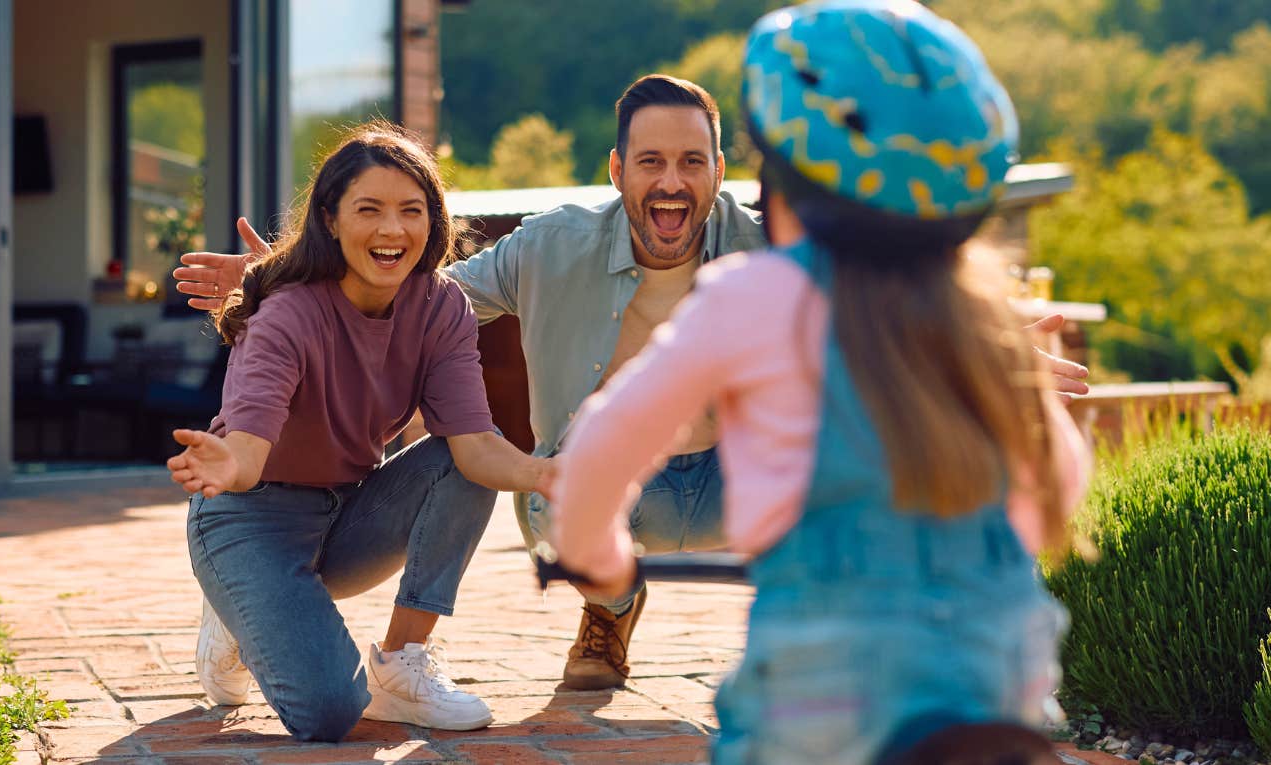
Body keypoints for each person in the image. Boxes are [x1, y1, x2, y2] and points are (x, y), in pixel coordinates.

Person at [174, 75, 1090, 692]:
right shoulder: (553, 245)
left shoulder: (772, 244)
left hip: (744, 478)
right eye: (650, 160)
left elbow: (894, 290)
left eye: (692, 160)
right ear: (618, 171)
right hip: (618, 489)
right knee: (543, 487)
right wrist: (309, 272)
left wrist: (994, 347)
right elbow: (418, 291)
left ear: (719, 173)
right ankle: (610, 611)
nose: (671, 179)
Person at [545, 2, 1092, 763]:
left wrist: (597, 556)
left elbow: (604, 446)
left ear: (782, 181)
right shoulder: (983, 317)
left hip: (821, 689)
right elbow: (1059, 483)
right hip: (993, 677)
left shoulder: (750, 295)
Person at [168, 121, 554, 742]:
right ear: (330, 220)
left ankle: (402, 665)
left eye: (411, 210)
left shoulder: (442, 307)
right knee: (328, 715)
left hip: (347, 516)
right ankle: (236, 607)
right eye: (367, 210)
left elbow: (477, 447)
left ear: (434, 220)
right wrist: (225, 465)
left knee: (454, 459)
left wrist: (548, 474)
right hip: (250, 518)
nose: (391, 230)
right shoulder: (287, 313)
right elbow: (247, 448)